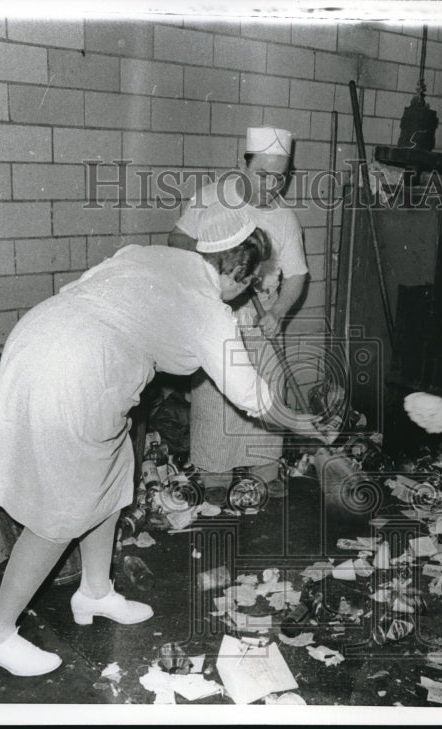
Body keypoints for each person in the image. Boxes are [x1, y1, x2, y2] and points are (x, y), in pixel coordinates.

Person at [0, 203, 329, 677]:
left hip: (41, 336)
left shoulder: (151, 255)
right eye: (250, 279)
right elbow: (253, 397)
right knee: (60, 510)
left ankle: (95, 592)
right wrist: (304, 424)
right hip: (72, 369)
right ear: (239, 273)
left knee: (116, 472)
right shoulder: (210, 310)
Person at [168, 127, 308, 496]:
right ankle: (215, 475)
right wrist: (220, 259)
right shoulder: (211, 199)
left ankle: (265, 469)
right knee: (216, 401)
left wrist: (277, 311)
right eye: (263, 174)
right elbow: (176, 239)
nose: (271, 184)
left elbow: (296, 276)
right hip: (215, 314)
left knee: (267, 389)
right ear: (243, 166)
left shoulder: (284, 218)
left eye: (280, 176)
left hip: (262, 322)